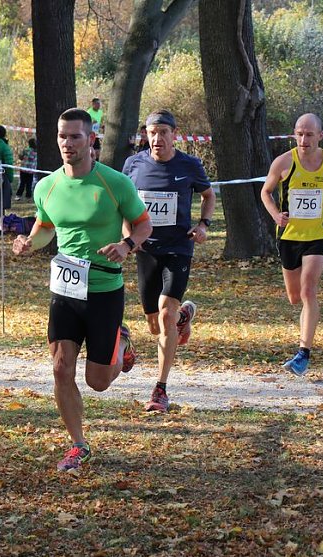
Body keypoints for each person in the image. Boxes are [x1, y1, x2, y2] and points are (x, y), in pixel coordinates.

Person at [12, 108, 152, 472]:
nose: (67, 143)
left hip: (105, 290)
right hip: (66, 290)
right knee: (61, 369)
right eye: (62, 136)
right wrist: (28, 242)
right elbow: (45, 227)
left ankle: (122, 343)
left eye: (75, 136)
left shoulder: (114, 183)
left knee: (98, 381)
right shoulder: (46, 187)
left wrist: (126, 245)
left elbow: (143, 224)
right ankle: (78, 445)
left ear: (90, 140)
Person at [122, 110, 216, 413]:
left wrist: (203, 225)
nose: (157, 138)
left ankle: (160, 389)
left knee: (165, 315)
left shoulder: (189, 165)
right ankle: (183, 318)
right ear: (146, 135)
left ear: (174, 134)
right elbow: (124, 203)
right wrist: (128, 235)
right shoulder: (133, 164)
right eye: (152, 132)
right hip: (146, 250)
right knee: (155, 325)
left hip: (178, 247)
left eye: (163, 132)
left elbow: (208, 195)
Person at [260, 113, 323, 376]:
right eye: (299, 134)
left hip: (318, 236)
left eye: (309, 134)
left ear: (321, 135)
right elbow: (266, 192)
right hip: (289, 237)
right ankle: (303, 345)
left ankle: (303, 353)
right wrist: (276, 215)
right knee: (295, 297)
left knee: (309, 290)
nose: (303, 139)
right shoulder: (283, 162)